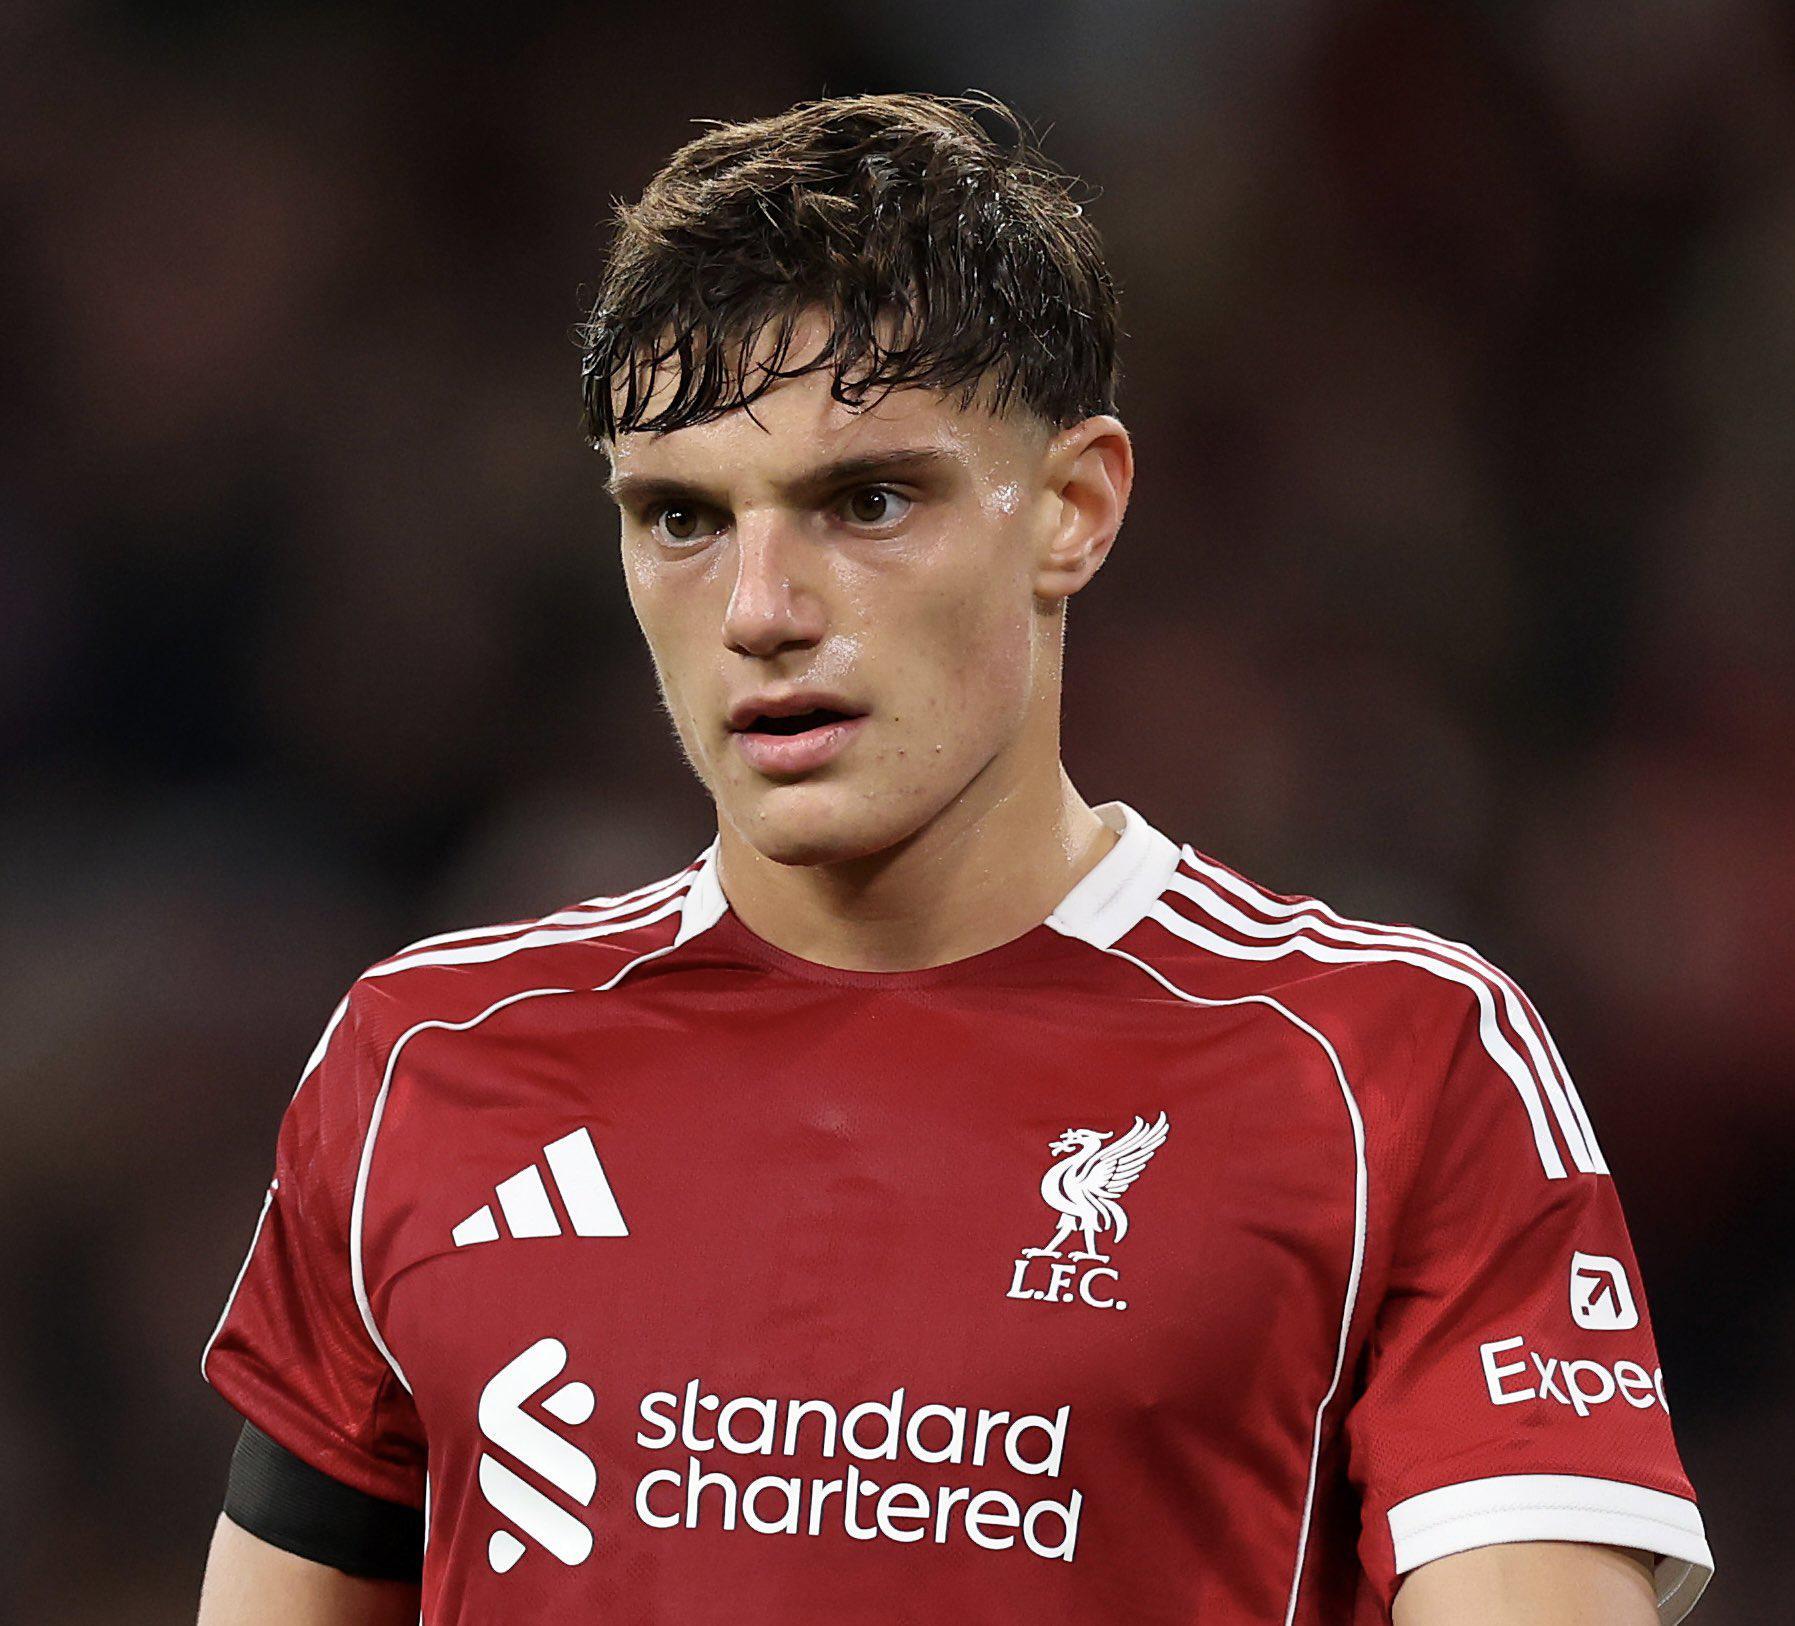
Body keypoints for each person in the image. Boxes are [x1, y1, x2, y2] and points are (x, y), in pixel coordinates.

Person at [195, 92, 1712, 1624]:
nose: (760, 610)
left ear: (1075, 508)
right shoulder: (424, 1065)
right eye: (683, 518)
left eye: (866, 501)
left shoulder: (1394, 1069)